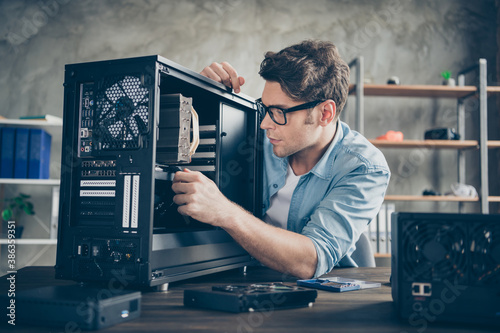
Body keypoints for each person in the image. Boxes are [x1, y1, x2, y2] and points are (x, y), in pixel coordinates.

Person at [172, 40, 390, 279]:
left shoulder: (364, 167)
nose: (265, 123)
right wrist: (201, 96)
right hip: (245, 280)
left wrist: (226, 213)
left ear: (324, 113)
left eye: (279, 112)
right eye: (265, 108)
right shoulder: (260, 133)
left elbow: (310, 261)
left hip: (324, 295)